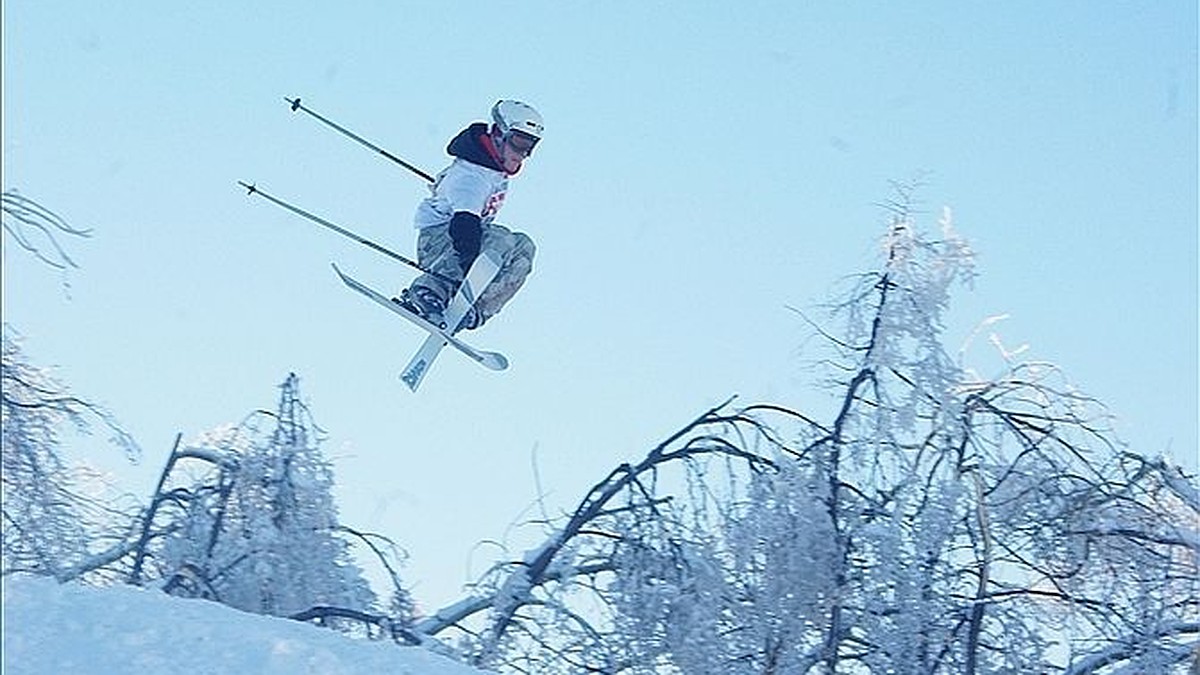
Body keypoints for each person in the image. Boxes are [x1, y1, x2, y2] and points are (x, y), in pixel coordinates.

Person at [397, 99, 542, 333]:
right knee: (501, 238)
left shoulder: (492, 171)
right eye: (518, 142)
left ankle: (475, 310)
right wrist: (469, 266)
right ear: (498, 133)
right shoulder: (472, 177)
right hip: (439, 244)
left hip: (465, 243)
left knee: (524, 246)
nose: (522, 154)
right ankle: (428, 290)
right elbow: (463, 227)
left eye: (529, 147)